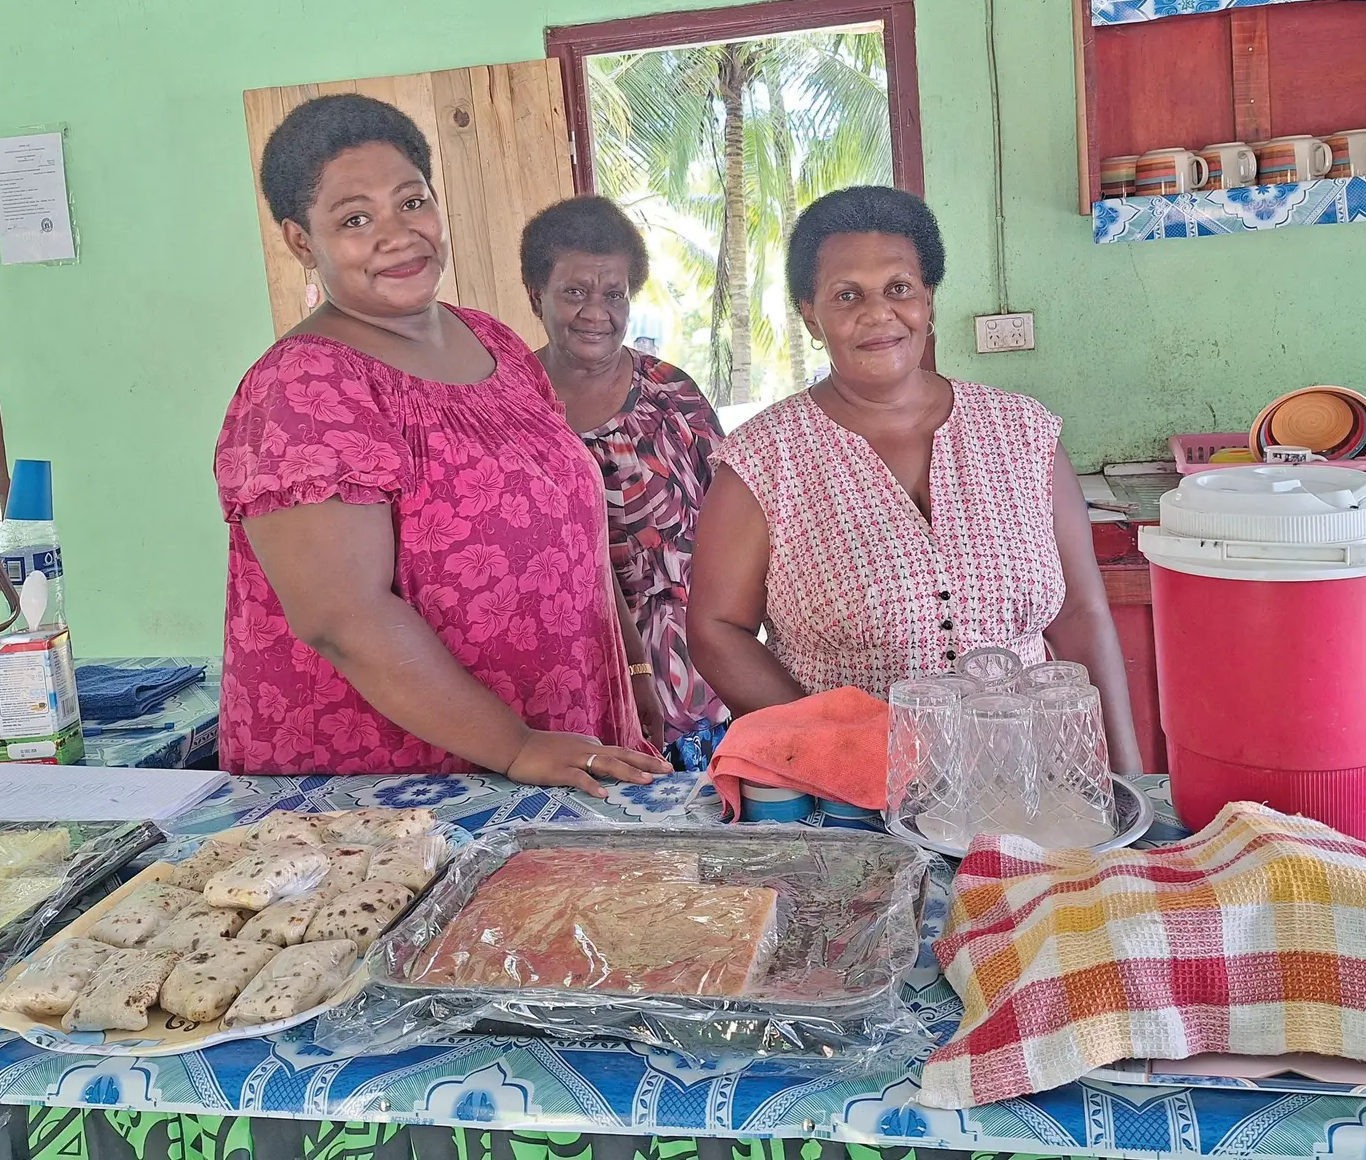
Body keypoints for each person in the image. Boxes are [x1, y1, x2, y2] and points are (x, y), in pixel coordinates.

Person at [213, 93, 669, 794]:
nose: (397, 235)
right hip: (400, 787)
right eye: (355, 219)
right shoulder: (303, 386)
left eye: (411, 202)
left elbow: (571, 526)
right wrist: (514, 746)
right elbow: (344, 617)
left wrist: (631, 668)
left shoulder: (495, 343)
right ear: (302, 240)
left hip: (557, 742)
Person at [686, 185, 1144, 774]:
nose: (878, 314)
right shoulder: (766, 459)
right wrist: (845, 747)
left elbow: (1082, 615)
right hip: (853, 801)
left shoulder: (1023, 433)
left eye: (898, 288)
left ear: (928, 297)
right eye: (847, 295)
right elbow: (716, 629)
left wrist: (1129, 778)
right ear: (810, 314)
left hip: (1035, 784)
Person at [522, 196, 728, 744]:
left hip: (690, 677)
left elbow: (738, 528)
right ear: (535, 294)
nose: (597, 312)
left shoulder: (671, 396)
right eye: (574, 292)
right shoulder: (508, 404)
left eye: (613, 294)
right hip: (560, 679)